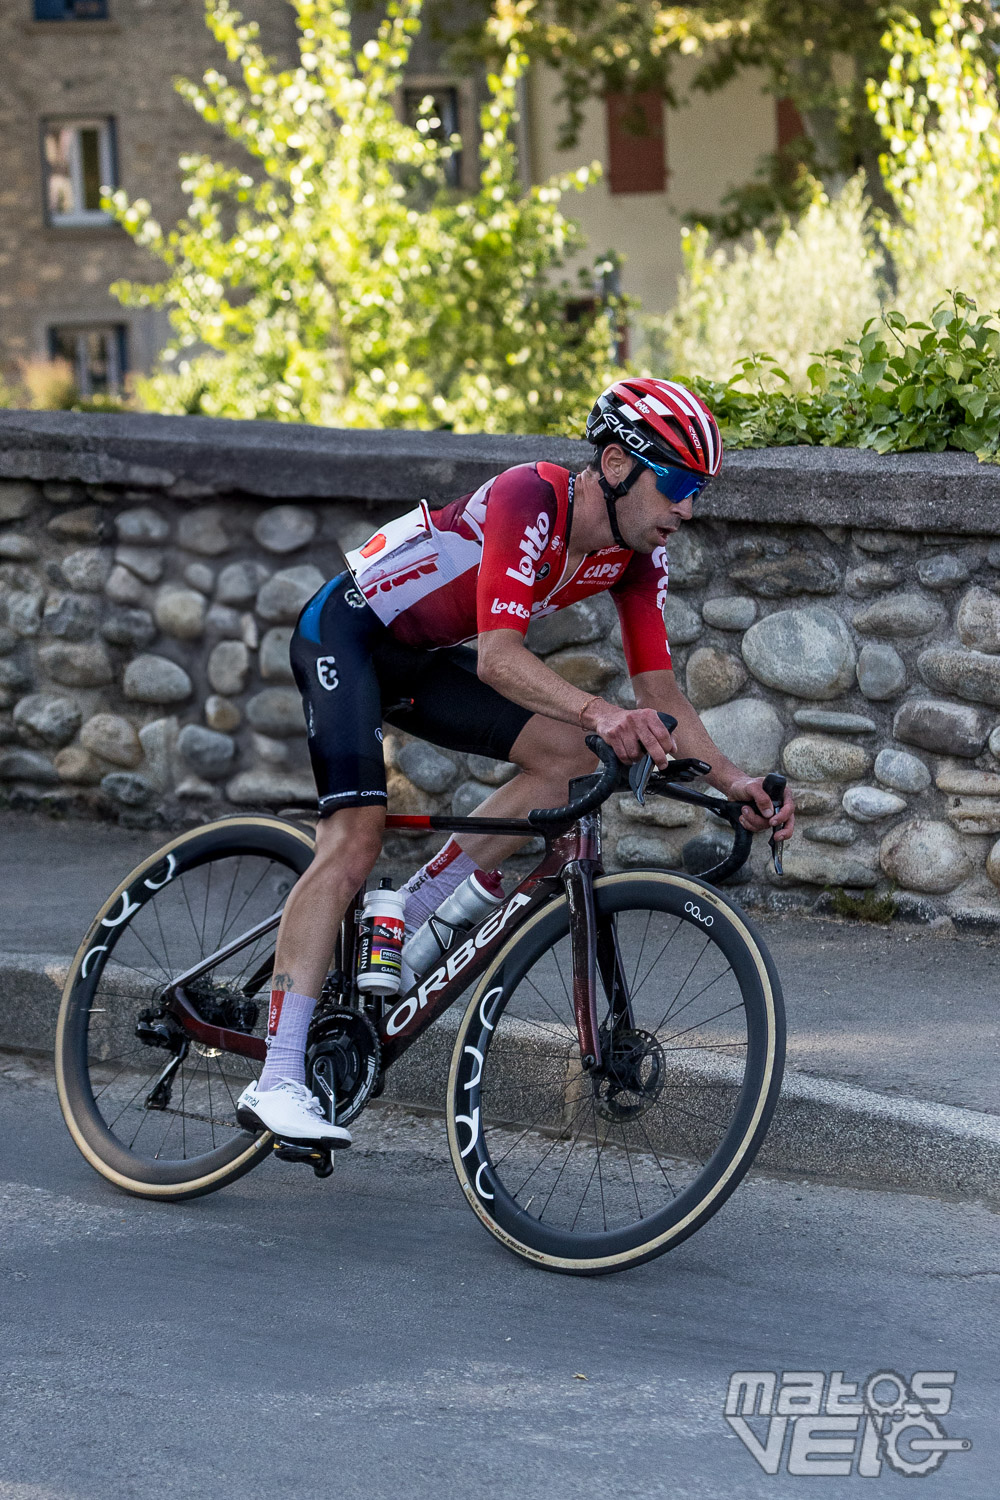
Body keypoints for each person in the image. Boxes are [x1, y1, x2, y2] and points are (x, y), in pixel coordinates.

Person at [237, 377, 796, 1145]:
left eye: (697, 489)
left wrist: (732, 782)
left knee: (568, 756)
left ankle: (418, 912)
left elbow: (660, 689)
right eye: (675, 484)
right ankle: (276, 1080)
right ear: (615, 464)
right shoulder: (529, 498)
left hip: (421, 658)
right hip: (348, 636)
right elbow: (499, 659)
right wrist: (603, 711)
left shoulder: (636, 555)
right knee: (355, 838)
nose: (688, 508)